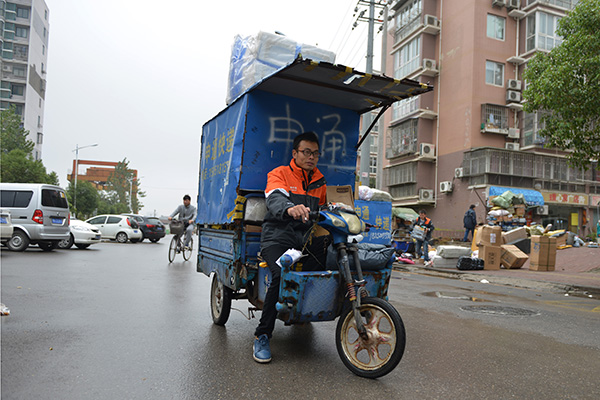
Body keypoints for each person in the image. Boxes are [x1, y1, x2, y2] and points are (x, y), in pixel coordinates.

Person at [253, 131, 330, 364]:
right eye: (306, 152)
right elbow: (275, 197)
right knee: (281, 272)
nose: (311, 157)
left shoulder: (320, 181)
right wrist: (289, 208)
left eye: (315, 153)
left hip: (305, 239)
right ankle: (263, 335)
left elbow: (325, 212)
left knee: (329, 262)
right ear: (295, 153)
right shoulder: (280, 174)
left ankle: (305, 311)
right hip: (278, 237)